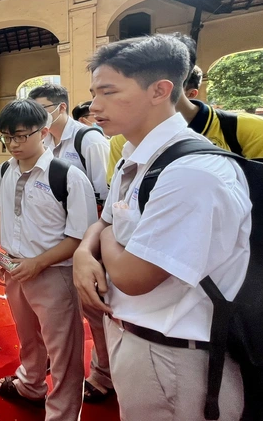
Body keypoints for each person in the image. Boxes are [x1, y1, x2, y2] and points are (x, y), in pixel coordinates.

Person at [73, 34, 250, 420]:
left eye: (108, 92)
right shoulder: (134, 157)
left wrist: (100, 238)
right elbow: (104, 222)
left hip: (176, 357)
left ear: (160, 90)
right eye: (93, 93)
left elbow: (135, 276)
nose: (94, 106)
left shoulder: (192, 173)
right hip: (138, 338)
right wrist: (84, 253)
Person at [0, 99, 97, 421]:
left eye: (21, 136)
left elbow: (80, 237)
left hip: (55, 276)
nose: (14, 144)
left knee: (64, 352)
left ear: (44, 132)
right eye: (7, 137)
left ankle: (62, 414)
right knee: (28, 336)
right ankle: (30, 386)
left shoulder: (69, 177)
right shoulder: (4, 170)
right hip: (14, 269)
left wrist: (38, 263)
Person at [28, 83, 112, 403]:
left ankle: (104, 375)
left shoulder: (87, 140)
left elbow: (106, 196)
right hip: (62, 246)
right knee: (64, 312)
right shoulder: (47, 142)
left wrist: (92, 247)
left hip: (91, 246)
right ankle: (63, 359)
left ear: (61, 108)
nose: (37, 118)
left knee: (96, 312)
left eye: (43, 109)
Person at [106, 39, 263, 183]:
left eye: (111, 91)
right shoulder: (123, 139)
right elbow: (116, 201)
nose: (95, 106)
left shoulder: (247, 129)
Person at [28, 83, 109, 205]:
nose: (36, 115)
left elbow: (104, 193)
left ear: (61, 108)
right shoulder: (42, 139)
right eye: (32, 110)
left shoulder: (90, 140)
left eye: (41, 108)